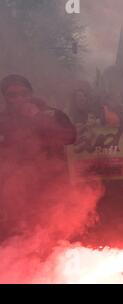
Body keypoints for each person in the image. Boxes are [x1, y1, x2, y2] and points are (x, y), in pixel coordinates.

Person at [0, 74, 76, 237]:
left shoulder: (52, 114)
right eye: (13, 95)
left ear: (31, 94)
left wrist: (38, 118)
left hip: (52, 186)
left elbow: (70, 137)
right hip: (16, 193)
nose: (19, 98)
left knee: (54, 233)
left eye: (24, 93)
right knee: (19, 236)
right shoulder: (2, 121)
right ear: (5, 98)